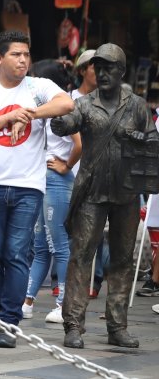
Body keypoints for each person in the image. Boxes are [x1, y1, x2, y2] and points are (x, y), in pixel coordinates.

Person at [0, 31, 74, 348]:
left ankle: (9, 324)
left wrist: (29, 114)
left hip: (28, 186)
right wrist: (8, 117)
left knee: (16, 255)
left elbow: (67, 103)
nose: (23, 60)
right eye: (16, 54)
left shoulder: (38, 87)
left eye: (26, 54)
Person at [51, 43, 159, 349]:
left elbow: (153, 142)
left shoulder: (137, 106)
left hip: (126, 192)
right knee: (81, 255)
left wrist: (137, 138)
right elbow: (67, 123)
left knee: (122, 259)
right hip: (92, 191)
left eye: (109, 67)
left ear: (121, 71)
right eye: (98, 67)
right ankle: (73, 324)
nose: (102, 73)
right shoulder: (84, 104)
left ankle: (117, 326)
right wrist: (59, 122)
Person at [23, 60, 82, 325]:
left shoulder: (64, 111)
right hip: (42, 179)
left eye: (35, 78)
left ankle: (63, 304)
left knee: (59, 244)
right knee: (40, 245)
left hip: (57, 181)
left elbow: (79, 143)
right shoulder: (45, 110)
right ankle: (27, 302)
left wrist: (66, 165)